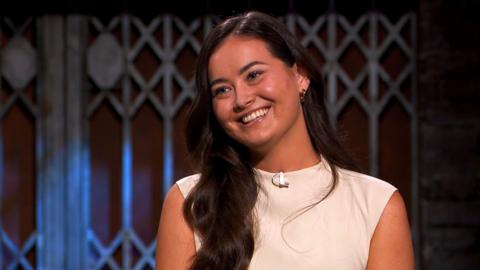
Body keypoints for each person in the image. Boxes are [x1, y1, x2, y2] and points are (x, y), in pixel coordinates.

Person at [155, 11, 414, 270]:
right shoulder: (190, 203)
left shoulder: (376, 206)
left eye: (254, 75)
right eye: (222, 90)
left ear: (300, 75)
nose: (241, 100)